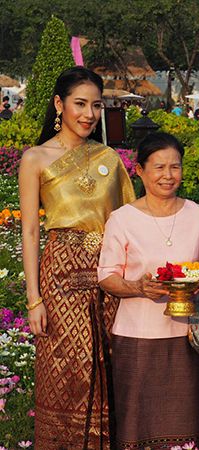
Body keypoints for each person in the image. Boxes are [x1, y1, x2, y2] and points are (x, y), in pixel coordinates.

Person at [18, 66, 135, 449]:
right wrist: (34, 298)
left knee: (109, 363)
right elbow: (31, 231)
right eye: (80, 104)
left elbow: (128, 222)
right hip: (60, 279)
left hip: (107, 275)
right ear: (59, 104)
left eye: (96, 106)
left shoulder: (108, 158)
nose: (89, 114)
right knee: (66, 367)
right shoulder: (36, 158)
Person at [98, 132, 199, 449]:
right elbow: (107, 276)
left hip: (185, 334)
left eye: (175, 167)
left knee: (183, 420)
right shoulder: (122, 219)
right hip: (136, 334)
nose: (168, 175)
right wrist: (137, 287)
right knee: (136, 422)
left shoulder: (198, 214)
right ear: (140, 170)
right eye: (159, 167)